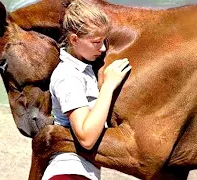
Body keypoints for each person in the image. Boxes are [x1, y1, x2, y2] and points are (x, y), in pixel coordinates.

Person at [43, 0, 131, 179]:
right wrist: (108, 86)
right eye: (96, 42)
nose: (103, 48)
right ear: (74, 40)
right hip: (68, 173)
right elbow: (86, 138)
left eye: (104, 41)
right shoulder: (68, 76)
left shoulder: (84, 67)